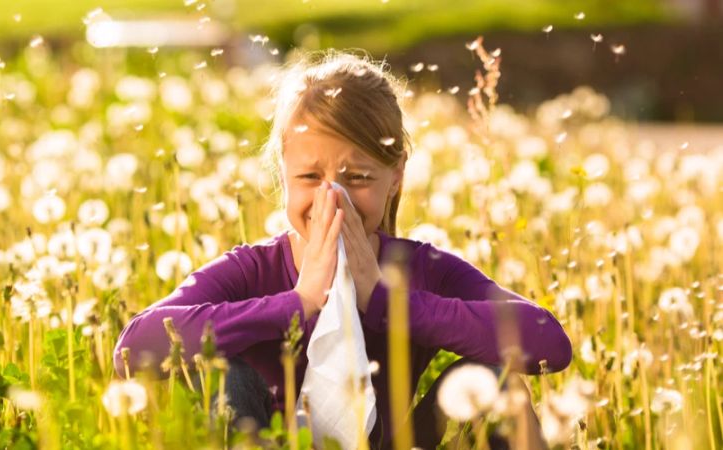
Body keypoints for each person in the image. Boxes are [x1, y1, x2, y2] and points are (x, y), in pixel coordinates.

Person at [113, 50, 572, 449]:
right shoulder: (251, 269)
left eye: (357, 178)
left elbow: (548, 343)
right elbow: (133, 351)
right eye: (310, 178)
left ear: (396, 177)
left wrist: (385, 300)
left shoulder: (419, 268)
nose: (333, 199)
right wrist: (297, 304)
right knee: (225, 374)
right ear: (283, 174)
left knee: (499, 382)